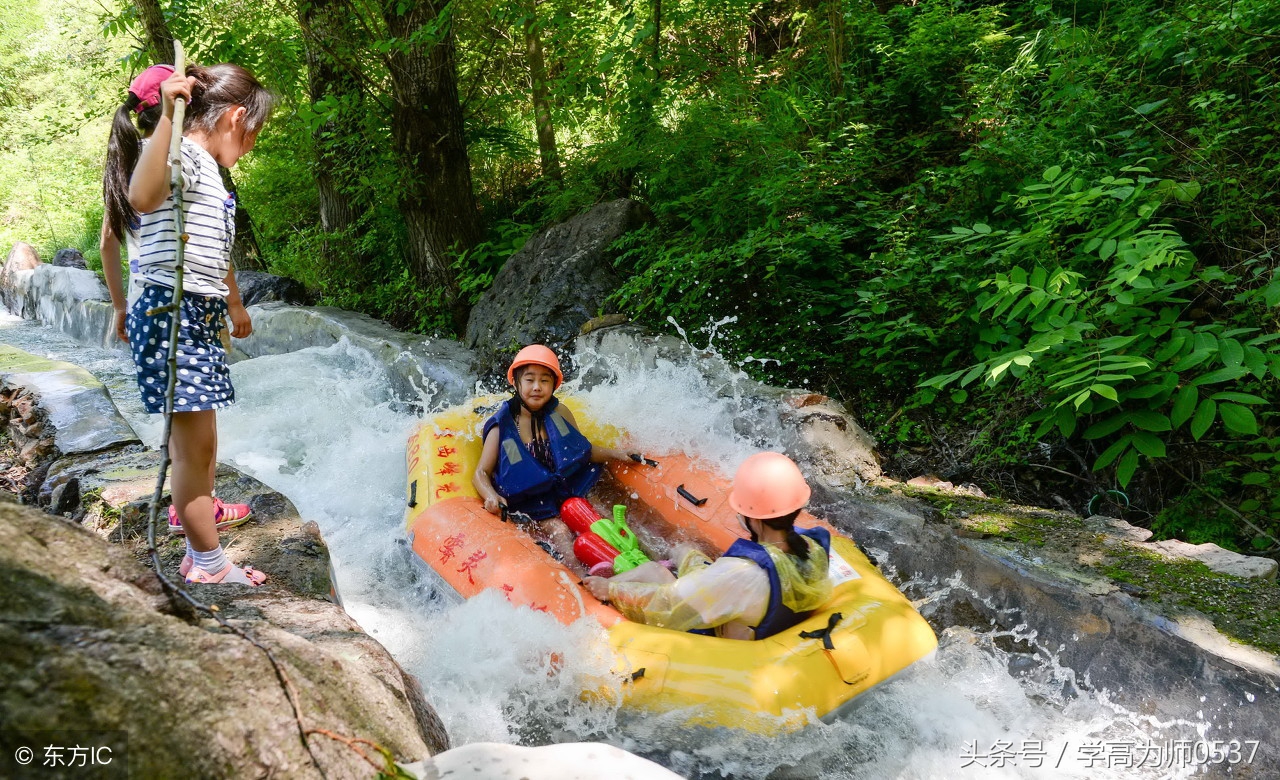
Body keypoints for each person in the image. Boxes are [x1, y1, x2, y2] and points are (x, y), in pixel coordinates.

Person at [104, 63, 275, 585]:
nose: (250, 147)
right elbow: (141, 198)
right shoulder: (182, 156)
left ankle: (200, 547)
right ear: (237, 117)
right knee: (191, 454)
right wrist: (167, 125)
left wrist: (233, 301)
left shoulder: (203, 167)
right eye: (253, 136)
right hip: (170, 313)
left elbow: (212, 249)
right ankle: (210, 565)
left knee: (199, 447)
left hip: (192, 314)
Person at [583, 452, 833, 640]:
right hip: (754, 616)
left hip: (722, 643)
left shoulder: (742, 574)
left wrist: (612, 590)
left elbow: (670, 603)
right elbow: (724, 583)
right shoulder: (814, 547)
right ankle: (675, 558)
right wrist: (689, 556)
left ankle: (600, 586)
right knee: (685, 550)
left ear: (753, 518)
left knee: (652, 571)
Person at [473, 345, 628, 561]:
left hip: (568, 487)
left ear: (554, 385)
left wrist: (617, 454)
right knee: (560, 531)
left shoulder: (560, 412)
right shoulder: (501, 427)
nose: (537, 387)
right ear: (515, 382)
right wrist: (491, 495)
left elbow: (582, 452)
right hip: (532, 501)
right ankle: (581, 579)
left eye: (545, 380)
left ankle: (634, 558)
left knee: (602, 513)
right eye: (529, 380)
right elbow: (481, 472)